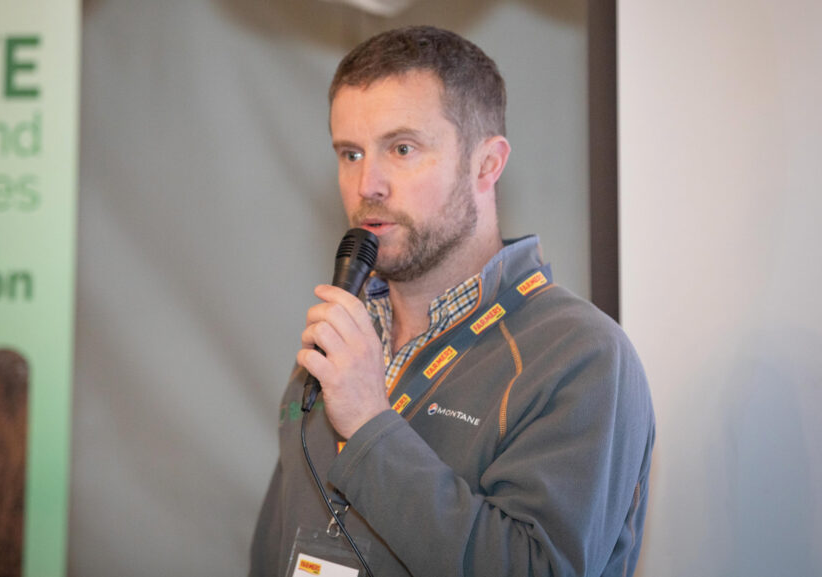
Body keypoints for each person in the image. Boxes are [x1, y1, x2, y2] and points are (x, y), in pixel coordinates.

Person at [249, 26, 654, 577]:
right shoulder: (338, 339)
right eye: (350, 153)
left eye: (402, 148)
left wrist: (370, 424)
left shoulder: (582, 357)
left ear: (487, 164)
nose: (368, 183)